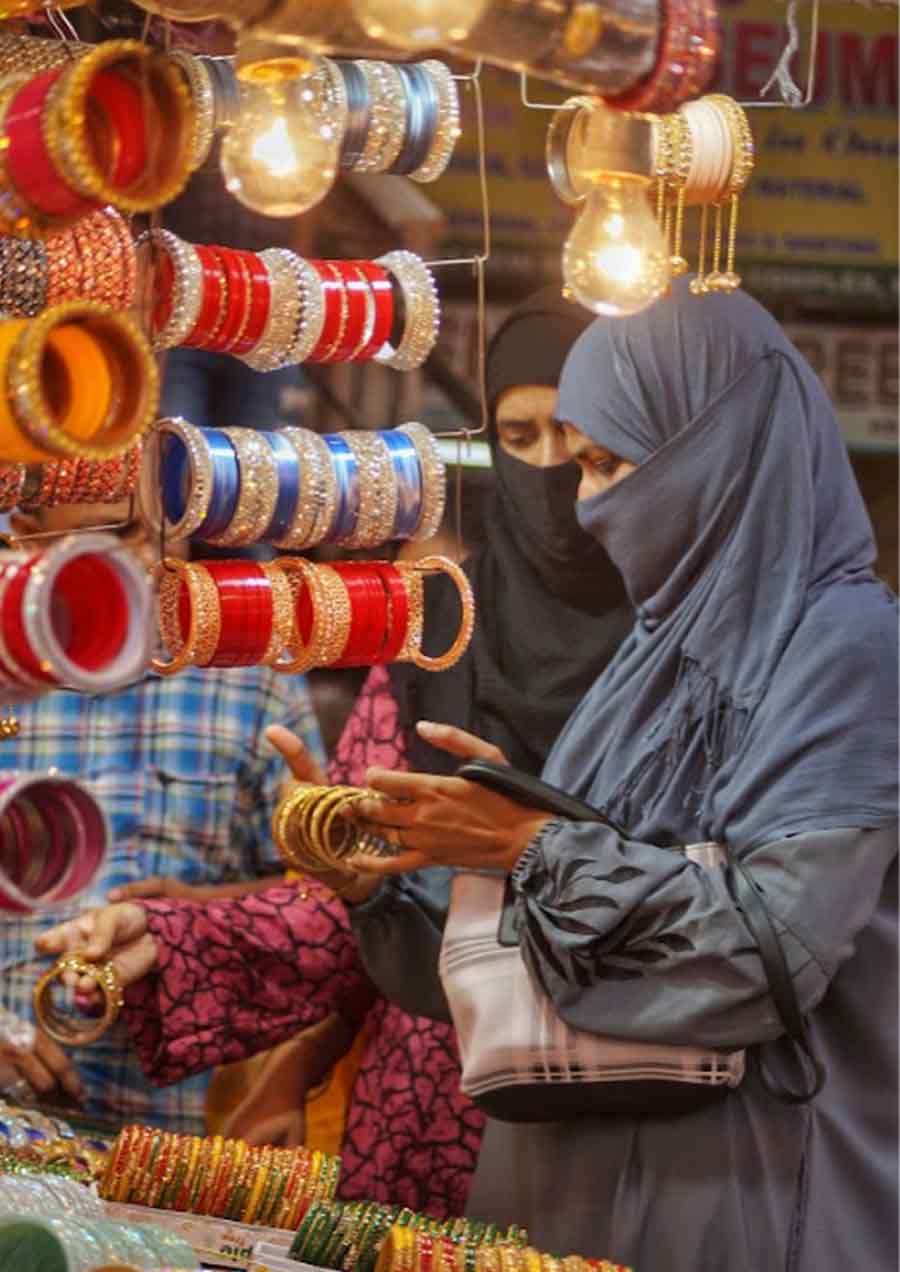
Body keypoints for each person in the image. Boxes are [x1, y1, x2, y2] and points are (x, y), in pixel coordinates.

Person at [334, 278, 897, 1271]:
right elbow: (574, 933)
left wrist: (534, 844)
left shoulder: (840, 652)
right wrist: (418, 866)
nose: (587, 506)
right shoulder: (659, 651)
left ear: (716, 452)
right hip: (580, 1190)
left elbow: (770, 953)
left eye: (609, 462)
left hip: (742, 1199)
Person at [37, 289, 633, 1217]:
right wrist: (174, 940)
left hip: (627, 1117)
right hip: (428, 1108)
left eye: (584, 446)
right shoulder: (439, 625)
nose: (551, 471)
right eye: (519, 437)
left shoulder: (684, 643)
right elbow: (356, 890)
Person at [0, 500, 324, 1137]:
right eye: (92, 536)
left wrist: (190, 917)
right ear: (22, 534)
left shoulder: (249, 681)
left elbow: (326, 908)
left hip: (172, 1134)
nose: (128, 561)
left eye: (139, 531)